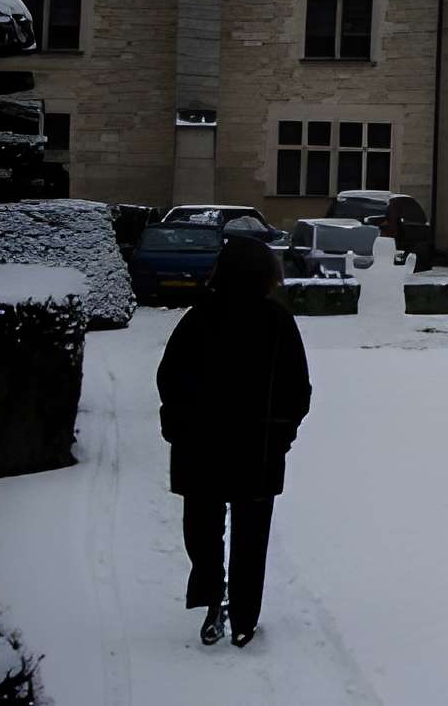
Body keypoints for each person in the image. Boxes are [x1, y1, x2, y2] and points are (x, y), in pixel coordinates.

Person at [156, 233, 311, 648]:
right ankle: (239, 614)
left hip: (209, 447)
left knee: (205, 531)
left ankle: (222, 602)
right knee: (248, 537)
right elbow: (298, 390)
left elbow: (169, 379)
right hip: (246, 449)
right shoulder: (271, 320)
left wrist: (176, 426)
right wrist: (282, 434)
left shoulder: (204, 318)